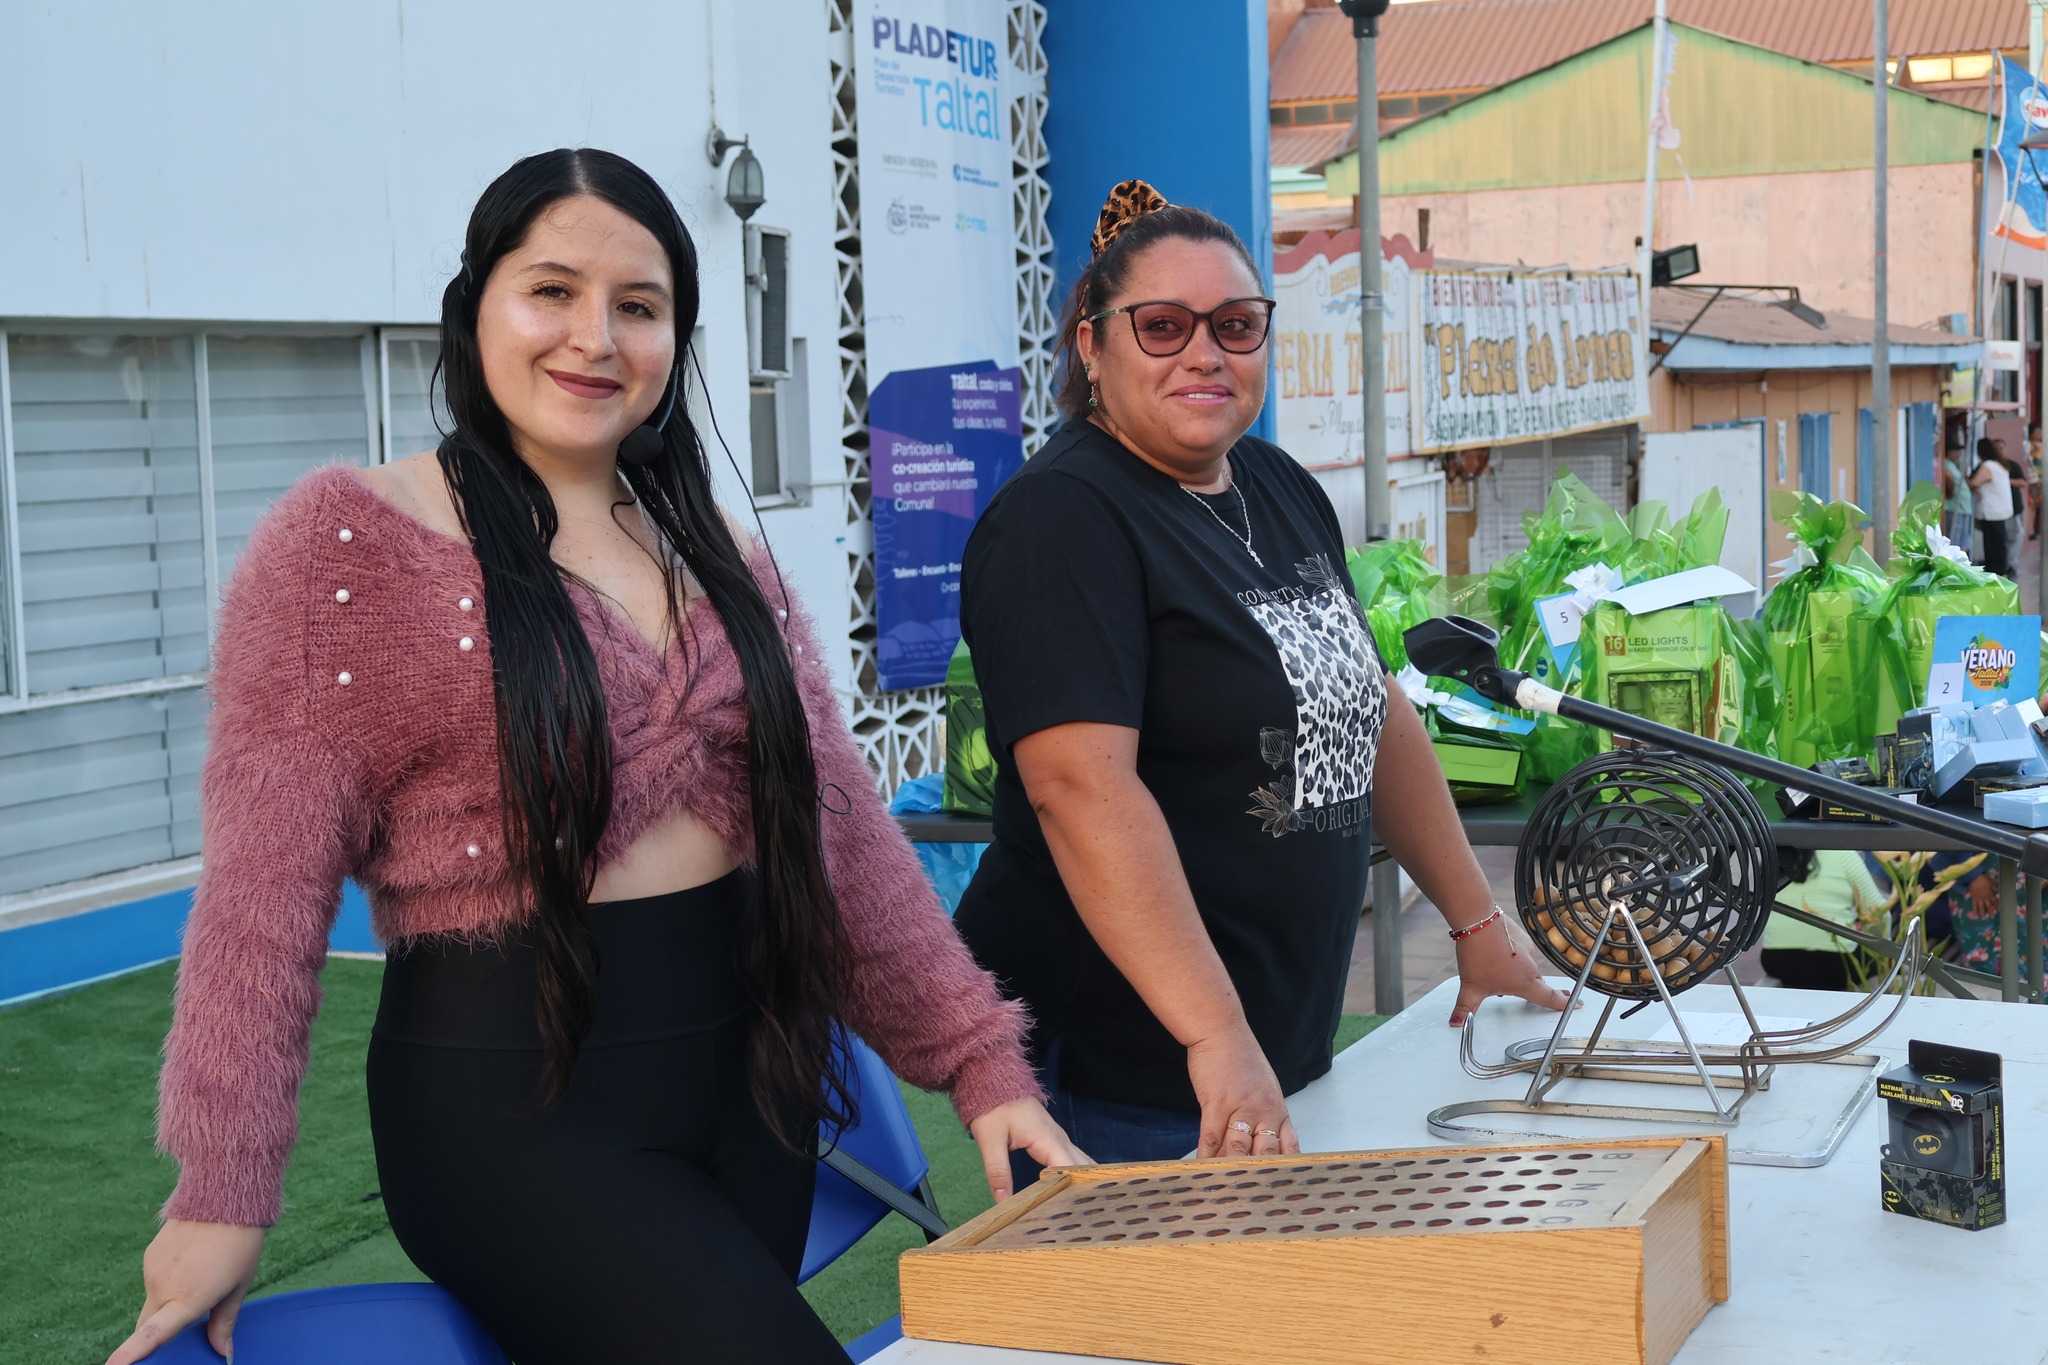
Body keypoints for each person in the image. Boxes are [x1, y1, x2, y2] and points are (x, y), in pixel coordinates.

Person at [106, 149, 1081, 1365]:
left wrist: (982, 1067)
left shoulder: (716, 545)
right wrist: (220, 1190)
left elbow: (839, 836)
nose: (595, 339)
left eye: (639, 306)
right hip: (514, 1116)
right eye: (551, 291)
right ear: (475, 310)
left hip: (754, 1090)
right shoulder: (343, 549)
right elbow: (259, 901)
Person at [952, 180, 1567, 1173]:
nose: (1204, 353)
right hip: (1129, 1070)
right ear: (1089, 345)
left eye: (1234, 325)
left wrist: (1474, 921)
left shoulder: (1274, 483)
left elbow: (1371, 714)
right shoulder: (1060, 521)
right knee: (1154, 1330)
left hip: (1272, 1043)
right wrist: (1212, 1034)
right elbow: (1078, 791)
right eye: (1161, 326)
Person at [1760, 848, 1887, 991]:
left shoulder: (1775, 853)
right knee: (1870, 960)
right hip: (1838, 963)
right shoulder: (1842, 854)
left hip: (1777, 960)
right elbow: (1879, 912)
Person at [1971, 435, 2016, 578]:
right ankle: (2001, 570)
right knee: (2000, 543)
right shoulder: (2001, 465)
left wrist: (1967, 480)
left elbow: (1974, 482)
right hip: (2001, 510)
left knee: (1992, 546)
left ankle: (1995, 572)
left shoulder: (1988, 466)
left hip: (1991, 511)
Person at [1940, 442, 1974, 559]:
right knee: (1955, 539)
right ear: (1950, 452)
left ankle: (1961, 561)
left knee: (1963, 537)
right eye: (1957, 451)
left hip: (1963, 508)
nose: (1959, 454)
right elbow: (1947, 479)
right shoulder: (1946, 464)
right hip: (1955, 508)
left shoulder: (1954, 466)